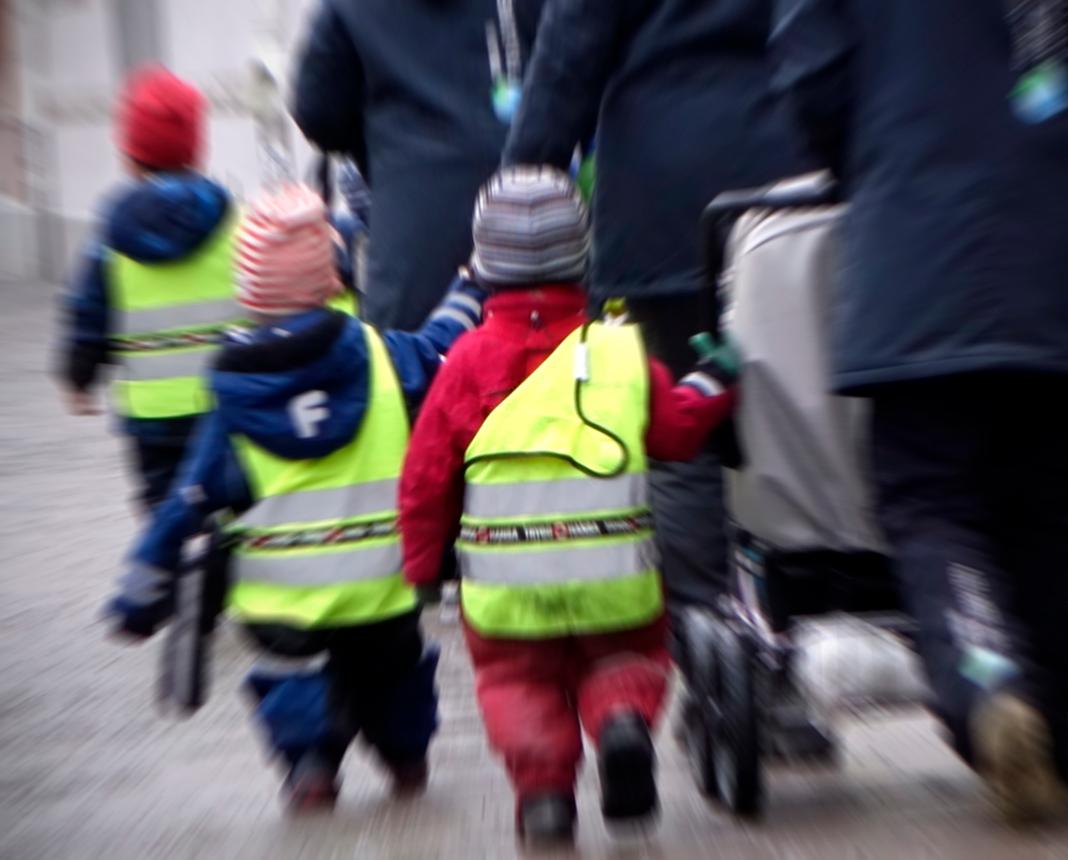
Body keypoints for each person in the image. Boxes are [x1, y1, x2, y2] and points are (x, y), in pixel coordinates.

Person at [771, 0, 1068, 823]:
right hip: (1053, 255)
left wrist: (853, 159)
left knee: (932, 505)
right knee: (1043, 512)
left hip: (915, 244)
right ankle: (1057, 742)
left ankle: (988, 682)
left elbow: (812, 74)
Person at [104, 185, 485, 814]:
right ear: (332, 279)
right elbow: (440, 342)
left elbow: (188, 500)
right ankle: (405, 756)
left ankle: (310, 764)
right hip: (379, 589)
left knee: (290, 679)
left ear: (248, 293)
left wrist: (141, 588)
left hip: (279, 600)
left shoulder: (233, 392)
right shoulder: (380, 356)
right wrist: (470, 288)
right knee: (395, 675)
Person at [398, 167, 736, 845]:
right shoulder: (618, 353)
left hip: (505, 597)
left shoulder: (463, 363)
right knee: (627, 659)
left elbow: (426, 476)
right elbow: (674, 430)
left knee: (516, 683)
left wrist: (420, 570)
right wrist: (715, 377)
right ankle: (619, 721)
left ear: (483, 266)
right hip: (615, 581)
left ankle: (546, 793)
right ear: (583, 257)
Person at [501, 1, 817, 661]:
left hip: (662, 210)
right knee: (797, 416)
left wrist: (514, 204)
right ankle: (801, 626)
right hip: (794, 183)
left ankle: (712, 644)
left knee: (680, 439)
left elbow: (565, 68)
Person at [292, 0, 545, 330]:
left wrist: (386, 149)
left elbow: (318, 112)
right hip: (528, 237)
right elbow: (567, 74)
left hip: (412, 248)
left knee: (411, 367)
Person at [57, 66, 241, 512]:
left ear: (129, 155)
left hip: (151, 418)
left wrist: (79, 374)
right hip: (228, 405)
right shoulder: (234, 223)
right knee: (231, 505)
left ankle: (168, 573)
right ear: (196, 151)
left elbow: (89, 309)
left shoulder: (112, 237)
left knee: (164, 512)